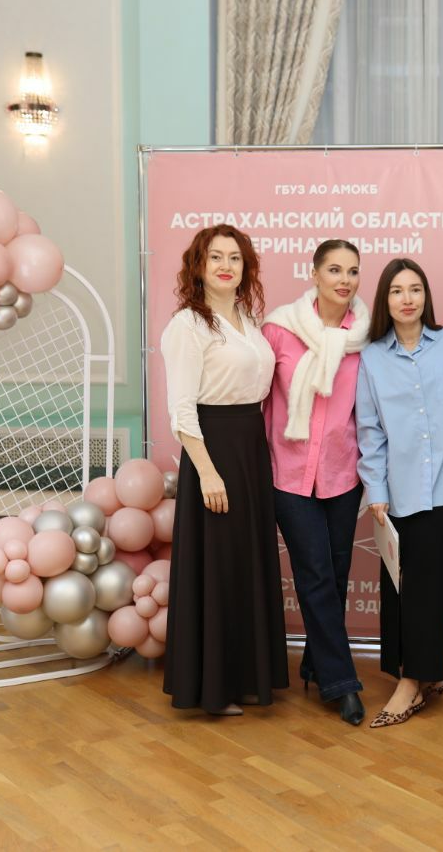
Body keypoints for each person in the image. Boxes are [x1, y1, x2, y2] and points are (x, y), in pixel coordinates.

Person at [161, 224, 287, 715]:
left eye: (235, 257)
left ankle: (248, 677)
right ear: (199, 265)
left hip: (250, 450)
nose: (225, 265)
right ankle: (214, 687)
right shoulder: (188, 325)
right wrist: (208, 474)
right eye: (215, 256)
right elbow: (182, 410)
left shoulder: (249, 321)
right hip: (212, 451)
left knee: (245, 565)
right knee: (219, 568)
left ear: (246, 267)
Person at [356, 259, 443, 728]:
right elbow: (370, 430)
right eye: (397, 291)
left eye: (416, 289)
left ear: (426, 295)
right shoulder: (372, 357)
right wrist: (376, 488)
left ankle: (418, 679)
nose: (407, 299)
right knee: (402, 587)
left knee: (435, 585)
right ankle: (416, 675)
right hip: (399, 489)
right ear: (384, 300)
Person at [262, 240, 371, 726]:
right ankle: (341, 684)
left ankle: (314, 662)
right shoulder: (279, 330)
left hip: (342, 474)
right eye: (334, 270)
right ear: (314, 273)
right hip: (287, 475)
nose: (344, 280)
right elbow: (258, 401)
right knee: (316, 574)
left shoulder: (365, 337)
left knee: (338, 572)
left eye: (352, 271)